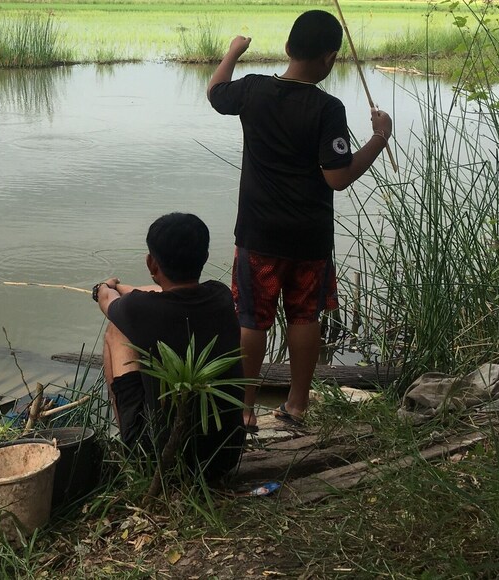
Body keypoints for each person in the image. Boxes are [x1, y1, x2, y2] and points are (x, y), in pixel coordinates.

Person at [206, 10, 394, 429]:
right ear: (329, 58)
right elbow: (338, 177)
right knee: (305, 316)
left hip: (258, 233)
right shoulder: (328, 107)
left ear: (289, 48)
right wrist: (380, 138)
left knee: (251, 319)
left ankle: (245, 409)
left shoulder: (253, 90)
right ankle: (296, 406)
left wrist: (235, 51)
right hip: (309, 238)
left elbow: (216, 91)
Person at [94, 212, 245, 480]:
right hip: (225, 454)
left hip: (161, 462)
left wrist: (107, 285)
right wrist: (127, 287)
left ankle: (130, 443)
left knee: (116, 330)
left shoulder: (136, 310)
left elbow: (107, 298)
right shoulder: (221, 295)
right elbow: (162, 294)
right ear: (205, 257)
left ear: (151, 263)